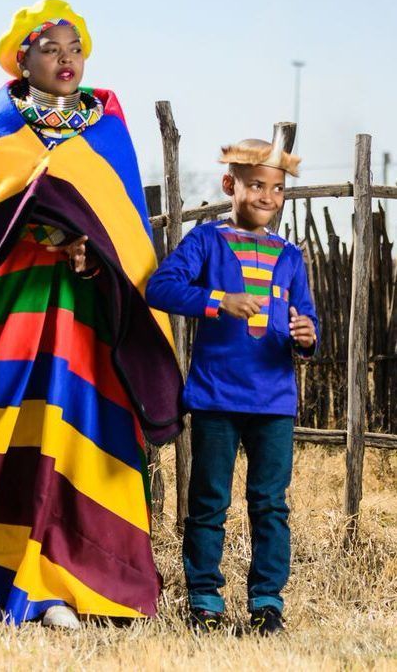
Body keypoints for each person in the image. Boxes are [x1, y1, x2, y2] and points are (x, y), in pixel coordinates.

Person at [0, 0, 183, 628]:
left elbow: (124, 234)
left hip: (81, 321)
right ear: (22, 58)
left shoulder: (106, 131)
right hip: (6, 311)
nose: (66, 60)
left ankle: (56, 582)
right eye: (51, 48)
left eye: (74, 48)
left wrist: (93, 260)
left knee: (71, 434)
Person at [146, 128, 318, 636]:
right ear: (230, 185)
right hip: (217, 398)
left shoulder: (290, 255)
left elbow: (304, 318)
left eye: (277, 188)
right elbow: (161, 287)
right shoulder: (207, 241)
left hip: (275, 401)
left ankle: (267, 600)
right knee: (209, 500)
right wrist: (218, 299)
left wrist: (307, 336)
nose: (268, 196)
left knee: (271, 503)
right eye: (257, 185)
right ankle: (204, 598)